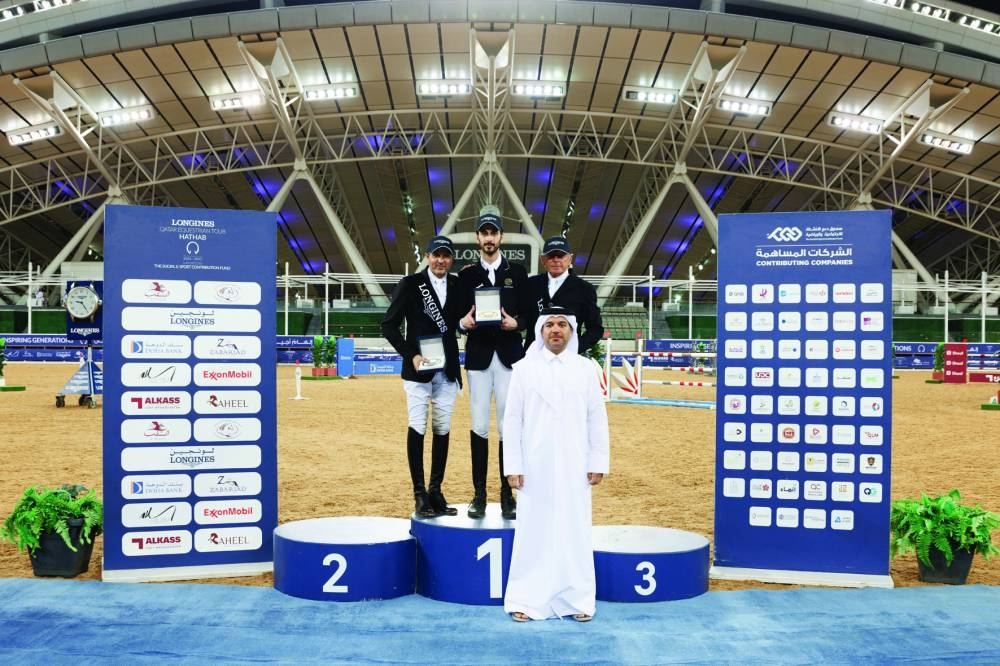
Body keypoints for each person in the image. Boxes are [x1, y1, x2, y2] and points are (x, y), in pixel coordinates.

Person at [502, 306, 610, 622]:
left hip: (576, 464)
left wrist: (598, 459)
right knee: (532, 531)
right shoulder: (523, 369)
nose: (556, 329)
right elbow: (512, 421)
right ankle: (526, 597)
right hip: (533, 465)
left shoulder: (587, 369)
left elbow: (596, 418)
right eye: (549, 324)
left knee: (574, 529)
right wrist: (514, 465)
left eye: (562, 324)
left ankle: (577, 599)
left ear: (572, 331)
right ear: (540, 331)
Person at [380, 235, 462, 519]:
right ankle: (419, 494)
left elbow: (460, 322)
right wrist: (410, 354)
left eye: (446, 256)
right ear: (427, 256)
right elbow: (388, 326)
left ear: (451, 259)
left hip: (447, 370)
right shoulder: (411, 285)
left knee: (442, 429)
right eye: (436, 255)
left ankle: (436, 490)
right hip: (418, 371)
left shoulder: (456, 285)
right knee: (418, 427)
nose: (441, 260)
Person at [457, 205, 530, 520]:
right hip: (478, 358)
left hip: (509, 358)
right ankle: (479, 495)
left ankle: (507, 494)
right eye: (484, 233)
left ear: (501, 236)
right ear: (478, 238)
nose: (489, 238)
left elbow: (529, 314)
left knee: (506, 425)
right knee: (478, 425)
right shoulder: (466, 275)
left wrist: (518, 324)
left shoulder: (518, 273)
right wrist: (463, 323)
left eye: (493, 232)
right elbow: (457, 316)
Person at [523, 236, 604, 355]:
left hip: (568, 361)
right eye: (551, 256)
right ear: (543, 260)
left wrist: (574, 348)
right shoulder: (531, 284)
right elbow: (524, 318)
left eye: (560, 256)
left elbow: (596, 328)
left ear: (570, 259)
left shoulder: (585, 289)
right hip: (534, 357)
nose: (556, 260)